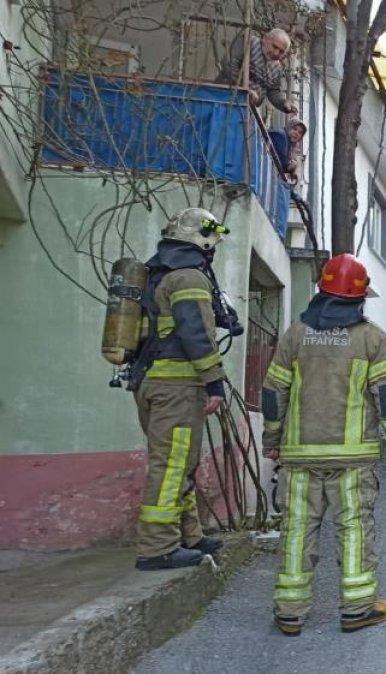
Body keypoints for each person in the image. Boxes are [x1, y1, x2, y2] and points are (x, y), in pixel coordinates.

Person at [262, 254, 386, 636]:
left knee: (296, 531)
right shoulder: (371, 338)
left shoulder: (295, 335)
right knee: (355, 530)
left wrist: (272, 440)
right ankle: (358, 608)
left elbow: (273, 392)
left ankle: (289, 612)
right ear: (359, 299)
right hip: (352, 460)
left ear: (321, 293)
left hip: (298, 458)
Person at [131, 207, 233, 570]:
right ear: (203, 241)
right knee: (173, 464)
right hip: (175, 386)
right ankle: (158, 548)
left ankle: (189, 535)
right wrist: (214, 381)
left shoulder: (156, 272)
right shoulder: (188, 277)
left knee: (180, 462)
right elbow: (196, 333)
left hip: (151, 382)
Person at [218, 28, 298, 114]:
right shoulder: (249, 43)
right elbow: (229, 64)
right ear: (265, 39)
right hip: (225, 99)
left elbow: (273, 91)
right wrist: (245, 89)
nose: (276, 53)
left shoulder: (277, 68)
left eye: (281, 51)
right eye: (274, 46)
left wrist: (283, 103)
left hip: (248, 109)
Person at [284, 118, 307, 185]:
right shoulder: (282, 138)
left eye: (300, 132)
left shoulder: (294, 148)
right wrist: (289, 167)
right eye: (294, 129)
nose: (296, 133)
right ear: (289, 127)